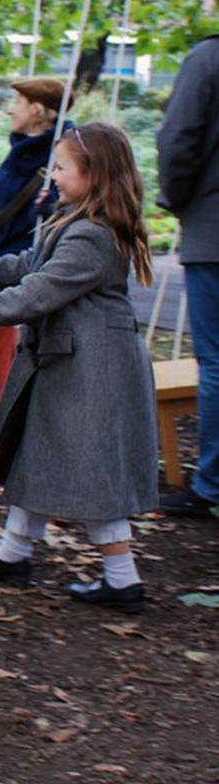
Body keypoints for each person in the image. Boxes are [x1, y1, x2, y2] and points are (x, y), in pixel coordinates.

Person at [0, 123, 158, 613]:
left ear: (92, 174)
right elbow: (24, 267)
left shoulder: (92, 236)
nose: (51, 175)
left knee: (91, 475)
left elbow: (36, 293)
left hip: (93, 372)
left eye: (60, 167)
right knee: (38, 453)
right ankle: (13, 553)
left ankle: (123, 579)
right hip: (71, 363)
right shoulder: (75, 219)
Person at [0, 77, 70, 412]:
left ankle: (2, 406)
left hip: (15, 263)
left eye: (17, 103)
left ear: (36, 111)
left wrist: (49, 207)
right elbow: (0, 209)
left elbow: (59, 216)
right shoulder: (21, 149)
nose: (10, 109)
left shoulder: (57, 157)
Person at [155, 34, 219, 516]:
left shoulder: (209, 57)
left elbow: (179, 139)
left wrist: (177, 200)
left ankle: (212, 483)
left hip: (214, 232)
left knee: (215, 362)